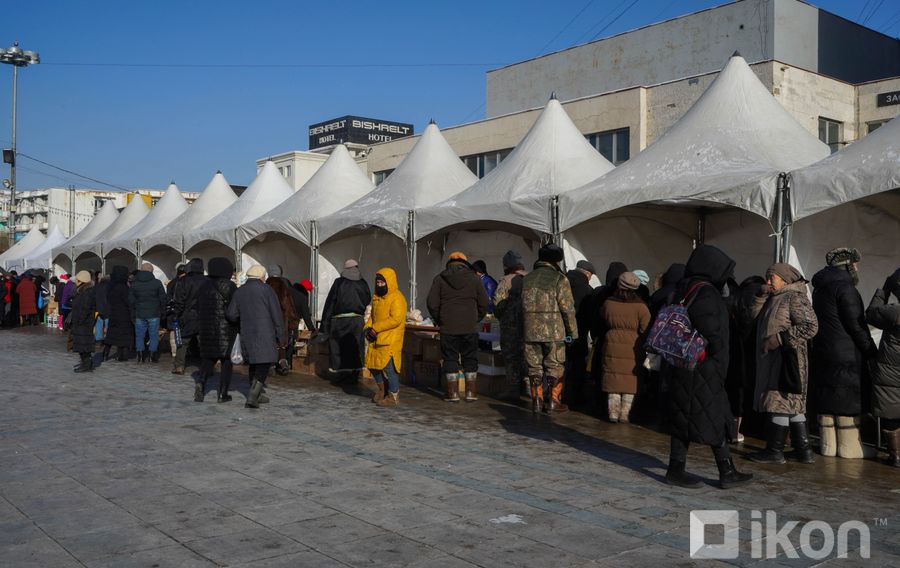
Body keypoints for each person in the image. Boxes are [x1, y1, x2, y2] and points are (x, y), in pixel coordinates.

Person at [664, 244, 753, 489]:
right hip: (703, 366)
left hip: (684, 363)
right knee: (715, 415)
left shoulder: (684, 287)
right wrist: (716, 353)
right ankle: (726, 471)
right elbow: (711, 331)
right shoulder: (706, 293)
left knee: (686, 416)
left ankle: (677, 468)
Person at [746, 263, 819, 465]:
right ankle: (803, 451)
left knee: (781, 400)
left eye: (772, 278)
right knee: (793, 404)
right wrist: (761, 296)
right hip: (774, 359)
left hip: (788, 359)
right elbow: (754, 317)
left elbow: (810, 326)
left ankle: (774, 450)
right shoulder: (775, 297)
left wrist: (780, 339)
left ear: (785, 279)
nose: (768, 282)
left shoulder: (794, 297)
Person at [811, 248, 877, 459]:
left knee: (829, 400)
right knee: (846, 400)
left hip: (823, 351)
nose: (857, 268)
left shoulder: (819, 289)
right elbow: (856, 326)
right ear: (847, 266)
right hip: (845, 355)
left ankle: (828, 446)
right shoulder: (846, 289)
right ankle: (850, 448)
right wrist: (870, 350)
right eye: (855, 265)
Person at [522, 243, 577, 414]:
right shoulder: (560, 279)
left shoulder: (527, 279)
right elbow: (567, 308)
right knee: (555, 366)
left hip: (530, 332)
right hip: (554, 332)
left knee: (534, 367)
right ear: (557, 261)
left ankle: (537, 402)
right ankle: (553, 401)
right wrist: (572, 333)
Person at [427, 251, 489, 402]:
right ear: (465, 263)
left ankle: (453, 393)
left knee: (450, 358)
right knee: (470, 358)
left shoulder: (440, 278)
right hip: (469, 326)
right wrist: (476, 318)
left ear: (449, 262)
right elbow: (484, 302)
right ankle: (471, 393)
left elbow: (432, 303)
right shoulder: (475, 279)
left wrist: (440, 319)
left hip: (448, 327)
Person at [226, 265, 284, 409]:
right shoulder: (267, 290)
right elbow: (276, 313)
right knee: (263, 364)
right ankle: (253, 395)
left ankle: (256, 394)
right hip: (265, 332)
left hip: (247, 331)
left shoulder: (240, 291)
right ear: (261, 276)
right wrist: (280, 333)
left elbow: (231, 314)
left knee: (253, 362)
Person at [600, 271, 651, 424]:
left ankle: (613, 413)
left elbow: (602, 320)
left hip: (611, 343)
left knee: (613, 378)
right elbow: (646, 329)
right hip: (633, 346)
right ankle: (624, 414)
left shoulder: (608, 303)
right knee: (630, 380)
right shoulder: (641, 307)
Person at [865, 269, 900, 467]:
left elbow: (870, 314)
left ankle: (896, 455)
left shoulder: (894, 312)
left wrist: (883, 291)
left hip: (890, 371)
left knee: (891, 414)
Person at [196, 257, 238, 403]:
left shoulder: (203, 286)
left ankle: (201, 384)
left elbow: (198, 307)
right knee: (226, 361)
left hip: (207, 329)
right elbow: (235, 309)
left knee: (208, 359)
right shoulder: (230, 286)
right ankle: (223, 394)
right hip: (226, 329)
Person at [320, 259, 371, 379]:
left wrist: (324, 325)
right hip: (357, 321)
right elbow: (367, 299)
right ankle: (353, 375)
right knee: (355, 347)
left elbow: (330, 303)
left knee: (339, 348)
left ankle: (342, 375)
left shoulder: (339, 282)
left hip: (339, 321)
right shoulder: (363, 283)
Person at [582, 262, 628, 389]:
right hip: (626, 343)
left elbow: (592, 315)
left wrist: (594, 333)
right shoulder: (631, 295)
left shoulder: (598, 292)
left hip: (602, 338)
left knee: (600, 373)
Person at [365, 268, 407, 407]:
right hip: (376, 339)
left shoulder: (397, 298)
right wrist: (368, 328)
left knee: (390, 369)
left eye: (383, 282)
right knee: (373, 366)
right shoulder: (376, 297)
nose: (380, 285)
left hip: (390, 339)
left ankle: (393, 396)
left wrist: (376, 328)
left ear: (389, 282)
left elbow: (396, 319)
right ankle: (382, 390)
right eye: (378, 282)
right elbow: (373, 316)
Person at [494, 250, 528, 401]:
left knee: (511, 359)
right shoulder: (530, 278)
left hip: (510, 327)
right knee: (526, 358)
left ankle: (513, 390)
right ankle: (528, 389)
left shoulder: (506, 280)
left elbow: (497, 305)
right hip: (529, 326)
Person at [565, 259, 595, 409]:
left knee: (559, 363)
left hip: (560, 332)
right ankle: (575, 397)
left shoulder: (562, 281)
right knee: (577, 365)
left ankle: (556, 394)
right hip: (579, 334)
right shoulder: (587, 290)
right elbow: (590, 316)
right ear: (587, 273)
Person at [170, 258, 207, 375]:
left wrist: (176, 314)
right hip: (203, 315)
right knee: (204, 343)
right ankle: (207, 367)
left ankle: (179, 366)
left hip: (187, 315)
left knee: (182, 342)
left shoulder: (183, 281)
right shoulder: (207, 281)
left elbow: (179, 301)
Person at [129, 262, 167, 363]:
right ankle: (152, 356)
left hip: (139, 313)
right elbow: (163, 299)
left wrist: (133, 312)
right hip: (154, 313)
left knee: (139, 335)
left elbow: (131, 300)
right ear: (152, 271)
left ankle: (140, 356)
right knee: (154, 335)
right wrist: (163, 311)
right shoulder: (157, 283)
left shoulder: (135, 284)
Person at [266, 267, 300, 375]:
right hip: (281, 320)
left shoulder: (265, 286)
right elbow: (288, 306)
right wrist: (293, 322)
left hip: (267, 320)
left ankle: (271, 365)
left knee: (269, 343)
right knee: (280, 343)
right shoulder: (283, 286)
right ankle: (283, 362)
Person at [105, 265, 134, 362]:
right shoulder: (124, 288)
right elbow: (128, 301)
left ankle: (105, 353)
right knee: (124, 335)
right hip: (124, 314)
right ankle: (123, 355)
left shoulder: (111, 286)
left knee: (111, 335)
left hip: (113, 313)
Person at [70, 271, 97, 373]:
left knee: (84, 344)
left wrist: (80, 319)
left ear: (81, 281)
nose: (75, 281)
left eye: (77, 279)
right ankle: (85, 363)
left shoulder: (87, 292)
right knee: (81, 343)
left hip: (84, 322)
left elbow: (86, 308)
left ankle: (87, 364)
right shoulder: (81, 291)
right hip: (80, 321)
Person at [165, 263, 187, 358]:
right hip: (185, 311)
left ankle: (174, 352)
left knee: (173, 332)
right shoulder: (188, 282)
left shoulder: (171, 283)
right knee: (185, 334)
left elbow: (168, 297)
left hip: (173, 311)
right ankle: (184, 353)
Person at [94, 273, 111, 359]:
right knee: (108, 324)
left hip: (98, 308)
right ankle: (107, 339)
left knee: (99, 323)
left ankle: (98, 339)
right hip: (108, 308)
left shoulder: (97, 286)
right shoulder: (109, 287)